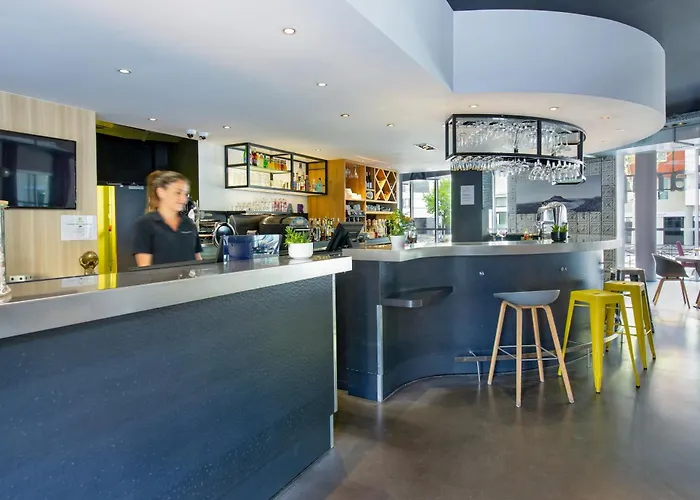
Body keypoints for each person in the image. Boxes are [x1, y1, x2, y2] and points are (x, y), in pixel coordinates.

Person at [132, 171, 202, 267]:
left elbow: (198, 261)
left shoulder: (189, 224)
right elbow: (145, 268)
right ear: (161, 192)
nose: (184, 199)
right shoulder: (145, 224)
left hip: (187, 277)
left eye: (186, 194)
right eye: (178, 193)